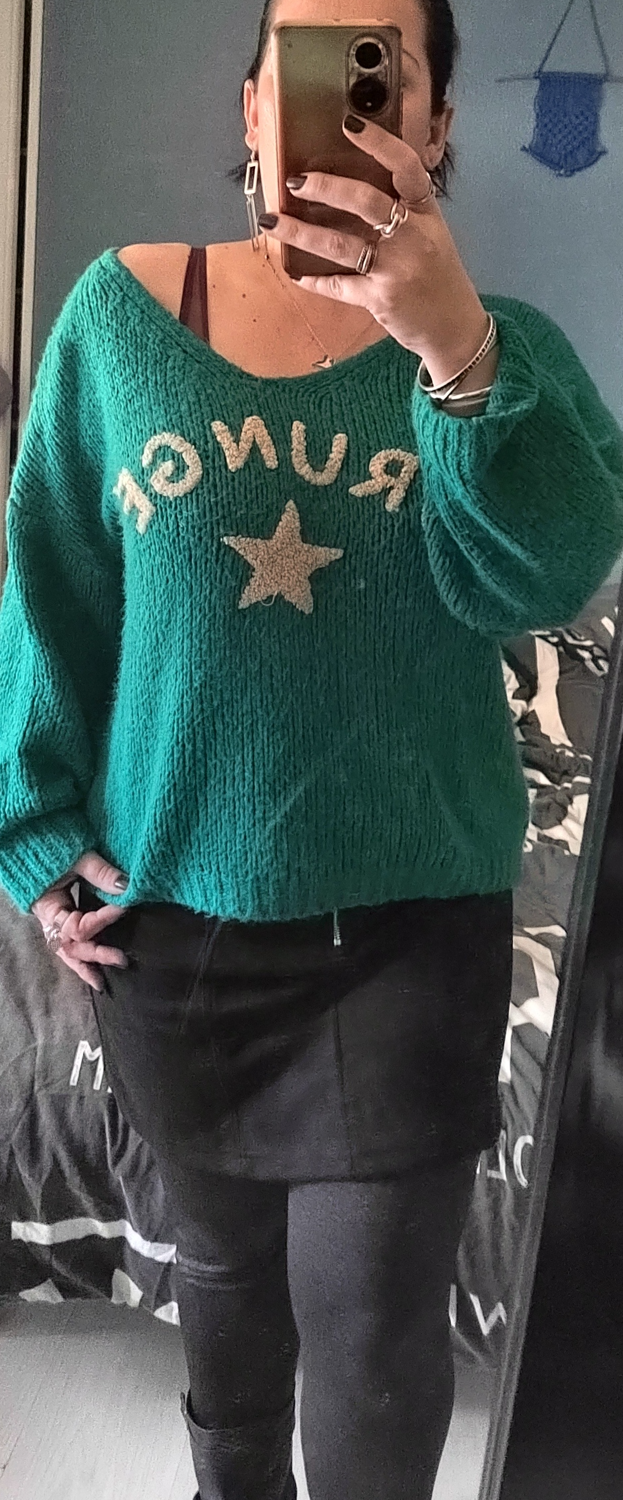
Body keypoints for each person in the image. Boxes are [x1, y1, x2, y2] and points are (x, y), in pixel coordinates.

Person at [1, 0, 622, 1496]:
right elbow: (51, 593)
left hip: (408, 931)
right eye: (304, 58)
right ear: (250, 105)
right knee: (224, 1310)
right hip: (177, 924)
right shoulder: (119, 321)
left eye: (378, 69)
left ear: (437, 120)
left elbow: (545, 577)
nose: (337, 98)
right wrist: (32, 834)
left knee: (374, 1353)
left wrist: (454, 351)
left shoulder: (504, 354)